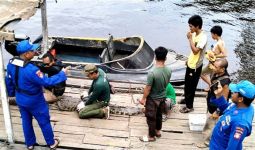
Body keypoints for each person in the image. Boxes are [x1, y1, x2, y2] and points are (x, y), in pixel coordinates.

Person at [5, 40, 67, 150]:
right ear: (26, 54)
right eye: (32, 50)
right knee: (44, 121)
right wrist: (62, 74)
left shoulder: (10, 64)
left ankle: (29, 144)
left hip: (20, 98)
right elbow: (47, 82)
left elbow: (8, 80)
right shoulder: (32, 70)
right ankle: (51, 143)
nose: (35, 52)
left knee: (26, 121)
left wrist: (11, 94)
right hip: (34, 100)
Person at [209, 80, 255, 149]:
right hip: (216, 143)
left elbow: (233, 147)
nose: (232, 92)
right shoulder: (242, 105)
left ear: (240, 99)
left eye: (235, 92)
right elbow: (227, 109)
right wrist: (218, 95)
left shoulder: (241, 124)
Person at [139, 47, 171, 142]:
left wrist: (143, 99)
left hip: (153, 99)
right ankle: (158, 131)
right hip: (162, 97)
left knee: (151, 117)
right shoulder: (169, 70)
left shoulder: (152, 73)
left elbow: (148, 88)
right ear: (165, 58)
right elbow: (167, 83)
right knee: (159, 115)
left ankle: (151, 136)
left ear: (155, 57)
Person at [197, 58, 231, 148]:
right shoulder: (216, 73)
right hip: (211, 103)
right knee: (209, 122)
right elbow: (203, 73)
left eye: (215, 67)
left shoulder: (225, 82)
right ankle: (206, 137)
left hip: (216, 108)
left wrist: (218, 111)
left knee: (211, 125)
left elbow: (224, 99)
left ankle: (207, 143)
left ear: (222, 69)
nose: (213, 68)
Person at [179, 15, 207, 113]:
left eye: (191, 26)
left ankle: (189, 106)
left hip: (195, 66)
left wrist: (190, 39)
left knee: (191, 86)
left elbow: (195, 51)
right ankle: (187, 100)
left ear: (197, 26)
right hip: (190, 63)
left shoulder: (203, 37)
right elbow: (192, 52)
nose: (189, 28)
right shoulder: (194, 33)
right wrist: (188, 59)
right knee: (187, 84)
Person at [201, 25, 227, 91]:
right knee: (212, 76)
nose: (211, 36)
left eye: (212, 34)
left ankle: (211, 85)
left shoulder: (219, 43)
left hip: (214, 63)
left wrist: (214, 56)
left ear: (215, 34)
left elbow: (224, 54)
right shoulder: (221, 41)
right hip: (215, 63)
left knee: (201, 73)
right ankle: (211, 86)